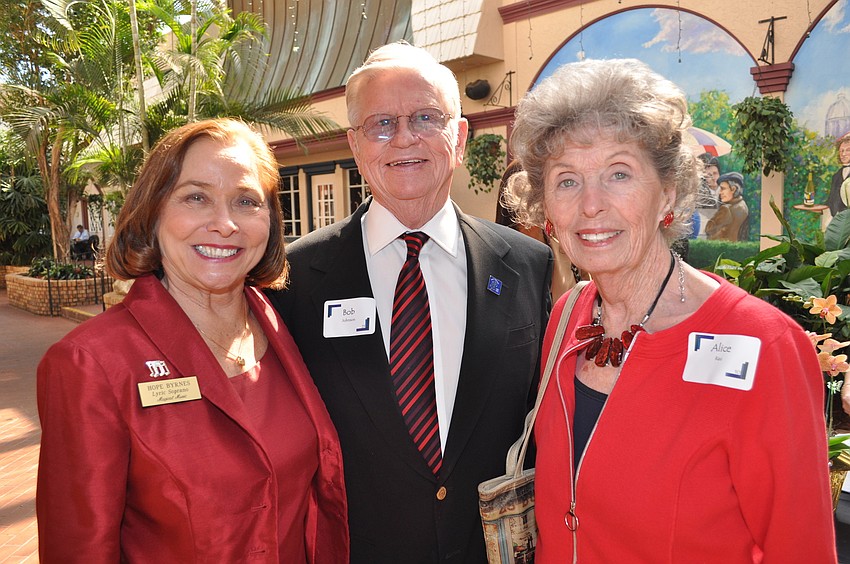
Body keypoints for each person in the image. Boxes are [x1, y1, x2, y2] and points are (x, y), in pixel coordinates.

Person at [504, 58, 836, 562]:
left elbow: (801, 547)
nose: (591, 204)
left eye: (619, 173)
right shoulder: (568, 316)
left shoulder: (762, 345)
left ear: (669, 191)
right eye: (567, 180)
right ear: (545, 206)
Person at [266, 41, 552, 563]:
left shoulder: (529, 266)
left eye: (426, 117)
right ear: (354, 144)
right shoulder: (295, 279)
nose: (404, 138)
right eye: (381, 124)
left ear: (460, 137)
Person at [36, 118, 349, 562]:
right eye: (196, 197)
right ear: (154, 211)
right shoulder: (91, 362)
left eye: (246, 201)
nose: (224, 224)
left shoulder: (286, 326)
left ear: (270, 222)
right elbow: (78, 550)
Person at [705, 171, 749, 241]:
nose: (720, 192)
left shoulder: (726, 209)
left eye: (723, 188)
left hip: (721, 249)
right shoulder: (744, 206)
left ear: (733, 189)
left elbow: (708, 229)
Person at [827, 132, 850, 217]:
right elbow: (831, 201)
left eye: (848, 150)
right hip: (837, 221)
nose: (843, 154)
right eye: (841, 151)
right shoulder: (836, 176)